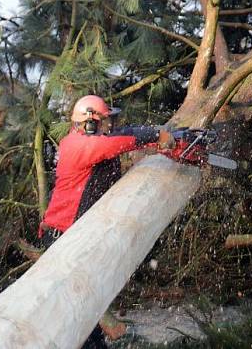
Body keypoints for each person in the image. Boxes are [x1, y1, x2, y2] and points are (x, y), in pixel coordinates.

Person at [39, 95, 173, 348]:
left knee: (84, 309)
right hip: (63, 240)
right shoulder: (78, 146)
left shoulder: (90, 144)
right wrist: (156, 135)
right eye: (105, 122)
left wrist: (157, 143)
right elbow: (114, 145)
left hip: (78, 236)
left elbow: (120, 141)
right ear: (90, 123)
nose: (110, 127)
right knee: (74, 310)